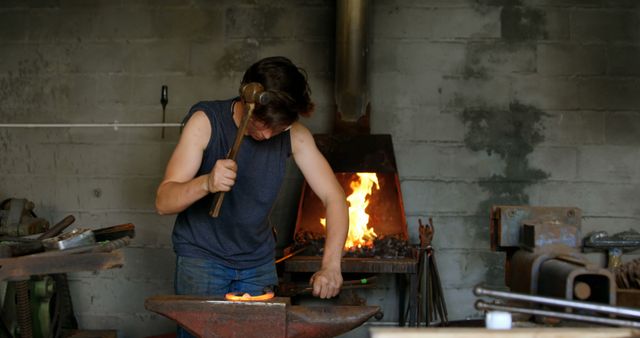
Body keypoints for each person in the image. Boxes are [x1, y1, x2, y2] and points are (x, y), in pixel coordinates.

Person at [155, 56, 348, 335]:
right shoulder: (206, 123)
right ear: (247, 102)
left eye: (278, 129)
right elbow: (163, 201)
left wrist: (331, 265)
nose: (269, 136)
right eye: (262, 125)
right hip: (202, 260)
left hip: (257, 263)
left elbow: (334, 198)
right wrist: (206, 183)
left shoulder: (294, 135)